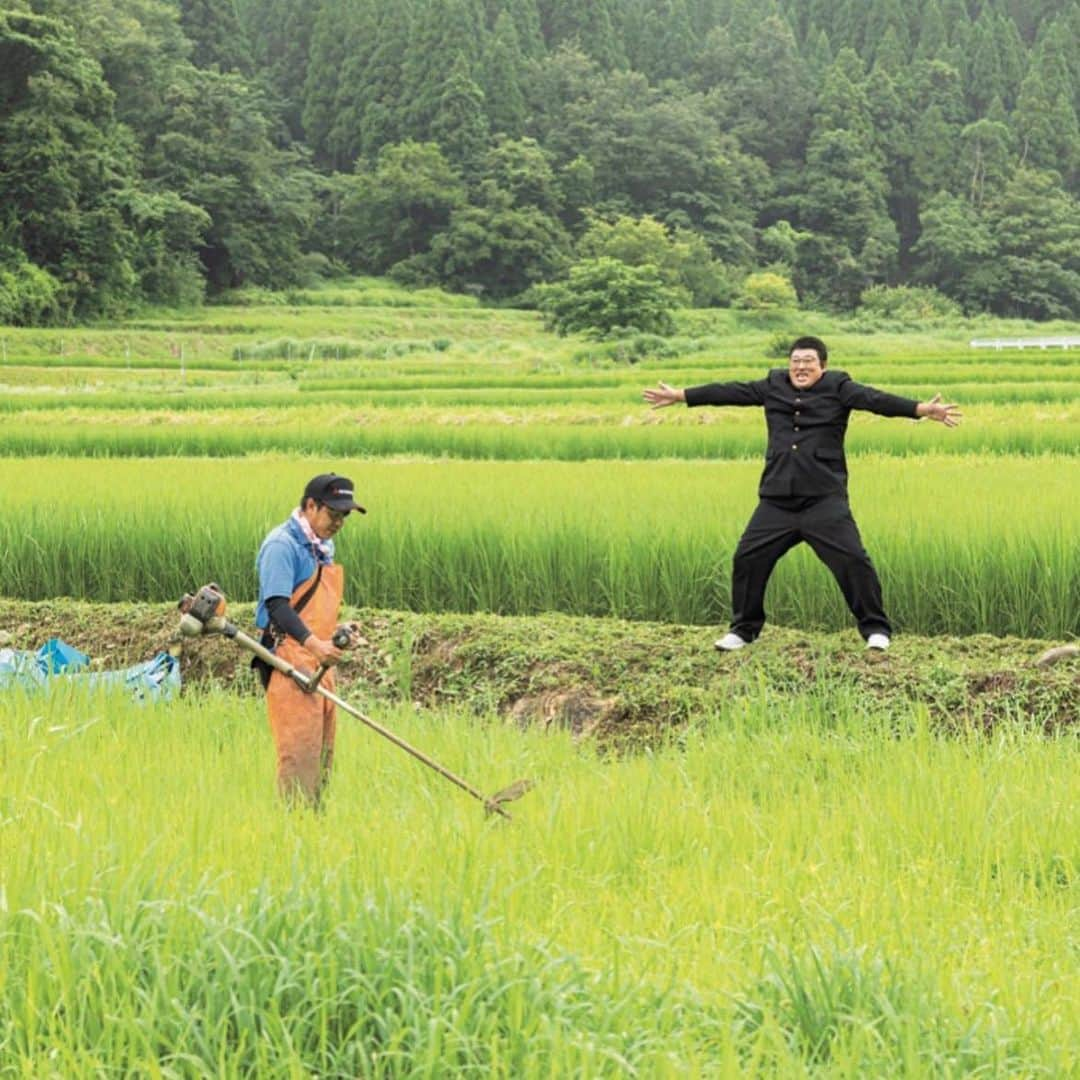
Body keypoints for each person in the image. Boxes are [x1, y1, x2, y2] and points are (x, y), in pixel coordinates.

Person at [643, 336, 961, 652]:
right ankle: (743, 630)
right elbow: (730, 391)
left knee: (853, 560)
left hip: (824, 499)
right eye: (795, 361)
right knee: (748, 558)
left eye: (808, 361)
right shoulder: (773, 384)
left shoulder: (839, 387)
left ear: (822, 365)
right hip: (777, 500)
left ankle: (876, 629)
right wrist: (681, 395)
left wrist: (921, 409)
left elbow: (875, 400)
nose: (800, 366)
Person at [255, 473, 365, 805]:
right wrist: (315, 644)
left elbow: (312, 609)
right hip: (289, 661)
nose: (338, 523)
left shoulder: (319, 548)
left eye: (344, 516)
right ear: (311, 505)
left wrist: (339, 632)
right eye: (333, 514)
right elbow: (277, 606)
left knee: (322, 758)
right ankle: (292, 833)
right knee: (300, 758)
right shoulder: (283, 545)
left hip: (318, 664)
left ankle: (314, 826)